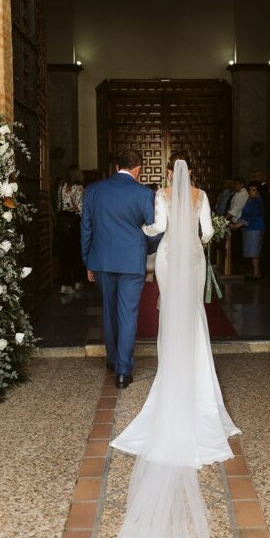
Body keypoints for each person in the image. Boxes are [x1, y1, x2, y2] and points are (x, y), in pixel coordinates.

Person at [95, 157, 241, 538]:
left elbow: (155, 228)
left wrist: (152, 229)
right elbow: (207, 235)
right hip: (193, 260)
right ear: (194, 179)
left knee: (172, 321)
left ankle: (173, 369)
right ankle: (198, 379)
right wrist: (193, 231)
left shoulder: (160, 198)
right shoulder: (199, 199)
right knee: (195, 319)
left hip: (170, 261)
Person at [81, 150, 155, 389]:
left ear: (116, 167)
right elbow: (154, 229)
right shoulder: (144, 193)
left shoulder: (93, 190)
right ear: (138, 168)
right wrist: (146, 248)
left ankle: (113, 360)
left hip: (101, 260)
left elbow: (86, 229)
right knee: (128, 313)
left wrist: (88, 261)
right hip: (132, 261)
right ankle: (123, 371)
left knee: (109, 311)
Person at [54, 165, 85, 294]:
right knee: (76, 253)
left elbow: (58, 206)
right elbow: (80, 209)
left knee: (64, 254)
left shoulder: (61, 187)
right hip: (74, 222)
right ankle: (78, 281)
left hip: (62, 222)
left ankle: (65, 284)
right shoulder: (79, 189)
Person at [236, 183, 265, 280]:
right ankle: (254, 271)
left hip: (255, 228)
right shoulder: (250, 200)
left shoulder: (258, 201)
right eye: (250, 189)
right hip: (248, 228)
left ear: (258, 192)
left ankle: (257, 273)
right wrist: (238, 222)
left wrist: (240, 224)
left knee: (255, 252)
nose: (250, 192)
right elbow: (245, 214)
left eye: (253, 190)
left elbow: (254, 215)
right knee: (250, 252)